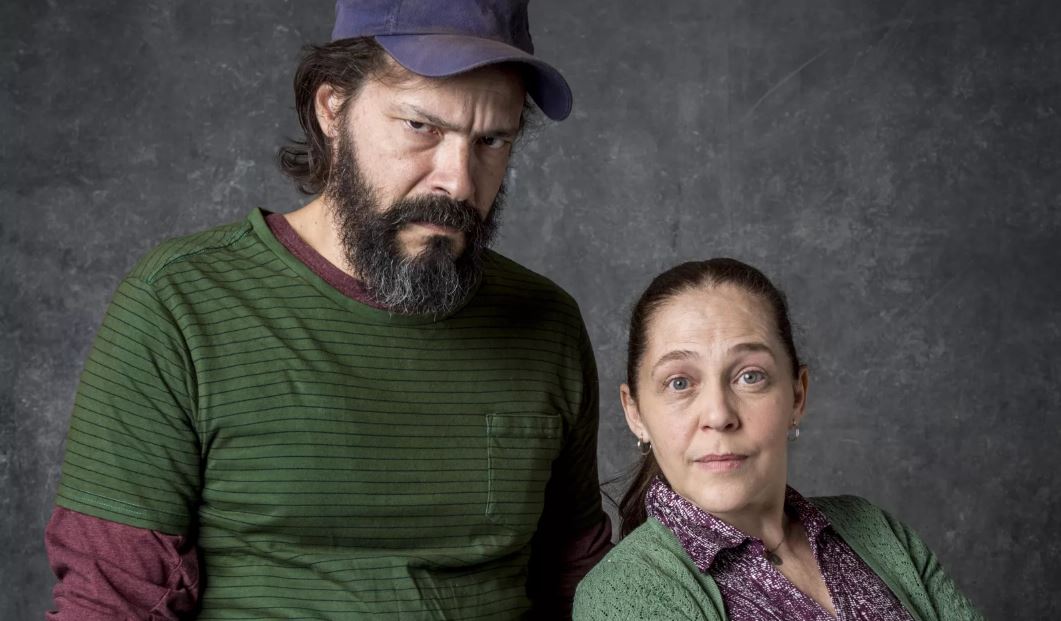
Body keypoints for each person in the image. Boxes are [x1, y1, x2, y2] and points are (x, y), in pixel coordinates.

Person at [46, 1, 612, 618]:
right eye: (422, 127)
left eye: (491, 140)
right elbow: (112, 598)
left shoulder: (547, 323)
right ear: (332, 109)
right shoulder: (180, 303)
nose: (457, 180)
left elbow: (576, 581)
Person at [573, 258, 983, 620]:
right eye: (679, 382)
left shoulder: (875, 529)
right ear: (636, 413)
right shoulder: (626, 593)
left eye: (750, 376)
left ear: (797, 395)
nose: (718, 415)